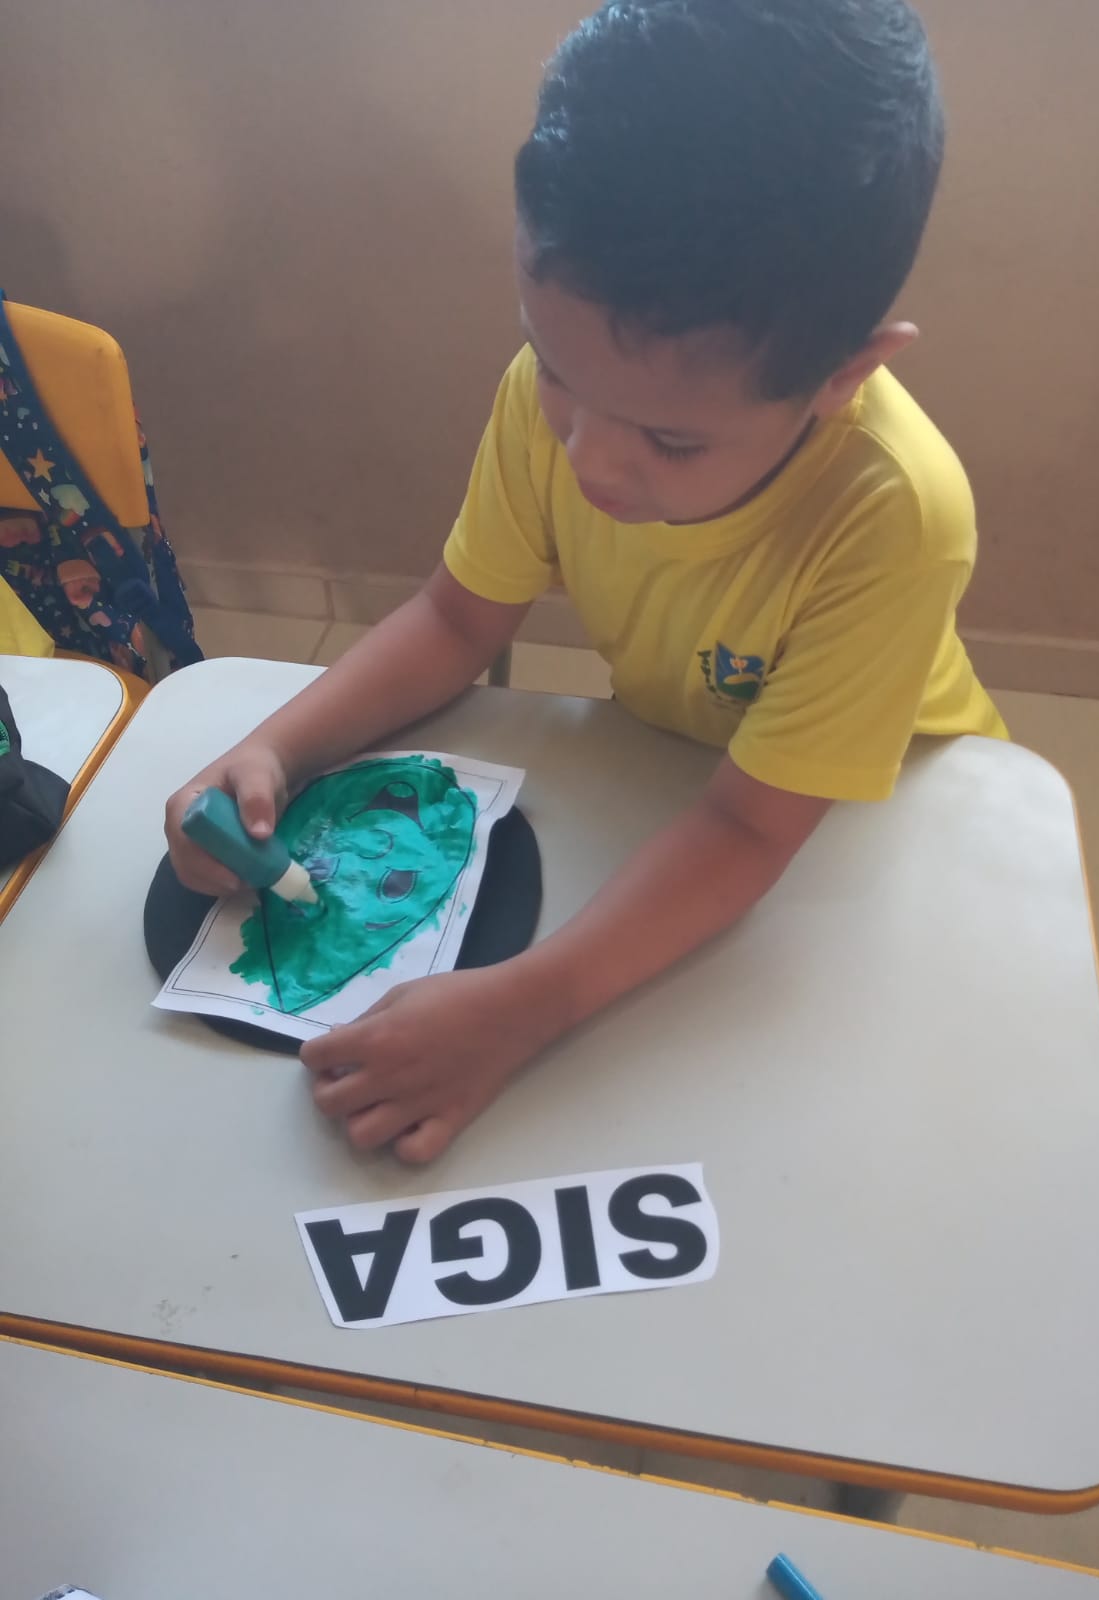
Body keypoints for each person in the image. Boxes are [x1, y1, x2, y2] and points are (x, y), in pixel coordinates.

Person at [166, 0, 1006, 1165]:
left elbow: (754, 827)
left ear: (846, 373)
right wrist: (273, 747)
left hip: (875, 832)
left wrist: (524, 1008)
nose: (593, 461)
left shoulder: (894, 514)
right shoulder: (559, 399)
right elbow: (458, 615)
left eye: (671, 441)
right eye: (557, 371)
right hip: (685, 785)